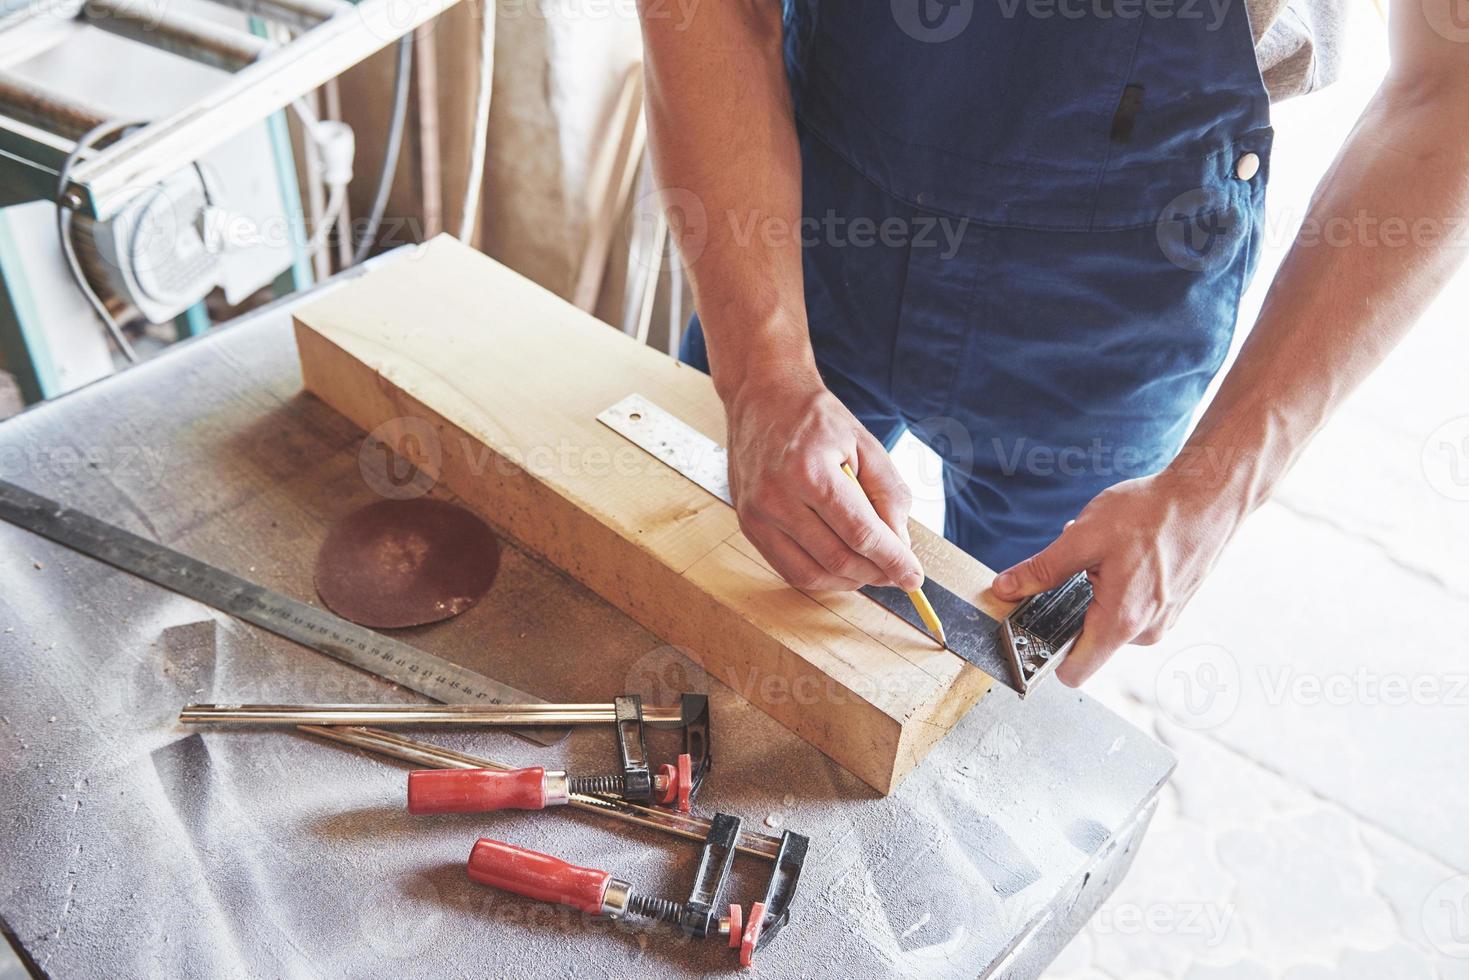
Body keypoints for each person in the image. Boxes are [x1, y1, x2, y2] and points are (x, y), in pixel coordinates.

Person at [635, 0, 1469, 685]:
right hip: (809, 200)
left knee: (987, 694)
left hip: (1117, 290)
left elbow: (1450, 83)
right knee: (682, 602)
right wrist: (761, 378)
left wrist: (1216, 487)